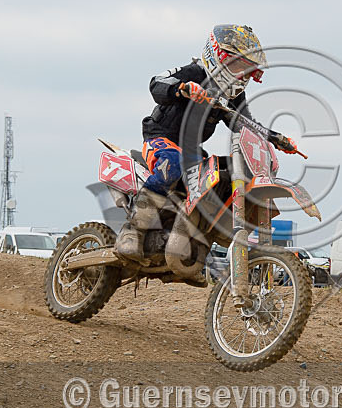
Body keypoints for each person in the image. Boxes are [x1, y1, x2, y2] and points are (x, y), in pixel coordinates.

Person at [114, 24, 297, 263]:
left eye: (247, 69)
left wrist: (275, 137)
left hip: (192, 151)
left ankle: (193, 246)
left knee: (220, 177)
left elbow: (243, 122)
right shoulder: (193, 72)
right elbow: (156, 83)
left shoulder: (233, 94)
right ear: (218, 56)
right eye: (239, 66)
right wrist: (182, 88)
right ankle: (132, 231)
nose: (242, 74)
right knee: (172, 164)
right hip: (161, 139)